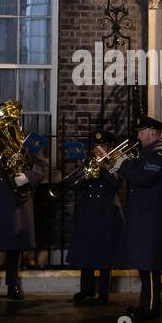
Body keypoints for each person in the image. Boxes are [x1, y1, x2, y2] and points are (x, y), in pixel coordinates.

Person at [0, 122, 48, 301]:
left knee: (15, 244)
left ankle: (13, 285)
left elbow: (41, 165)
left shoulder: (27, 140)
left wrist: (28, 177)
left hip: (17, 195)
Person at [120, 116, 162, 321]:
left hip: (152, 217)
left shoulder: (160, 155)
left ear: (152, 132)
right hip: (144, 215)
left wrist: (123, 165)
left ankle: (151, 308)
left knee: (150, 265)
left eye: (141, 131)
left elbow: (143, 178)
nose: (138, 136)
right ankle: (145, 305)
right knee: (144, 263)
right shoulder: (148, 154)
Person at [66, 130, 124, 305]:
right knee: (86, 252)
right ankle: (86, 289)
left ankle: (104, 292)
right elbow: (74, 186)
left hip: (106, 213)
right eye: (96, 146)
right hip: (88, 213)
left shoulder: (116, 163)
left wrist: (103, 169)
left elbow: (115, 185)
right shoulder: (87, 162)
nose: (98, 150)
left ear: (109, 148)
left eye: (102, 146)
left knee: (105, 255)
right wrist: (85, 173)